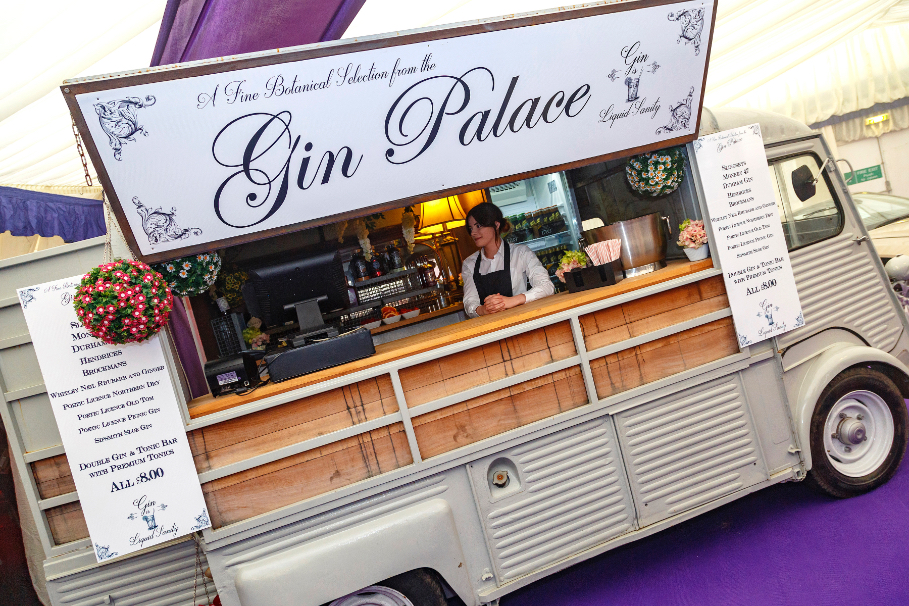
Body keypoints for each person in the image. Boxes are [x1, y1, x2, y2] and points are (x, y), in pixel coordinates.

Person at [462, 202, 555, 318]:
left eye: (478, 226)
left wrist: (512, 301)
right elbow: (469, 303)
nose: (473, 233)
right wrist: (483, 309)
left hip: (523, 321)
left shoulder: (520, 253)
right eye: (470, 228)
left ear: (496, 225)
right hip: (490, 327)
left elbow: (547, 286)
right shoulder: (469, 264)